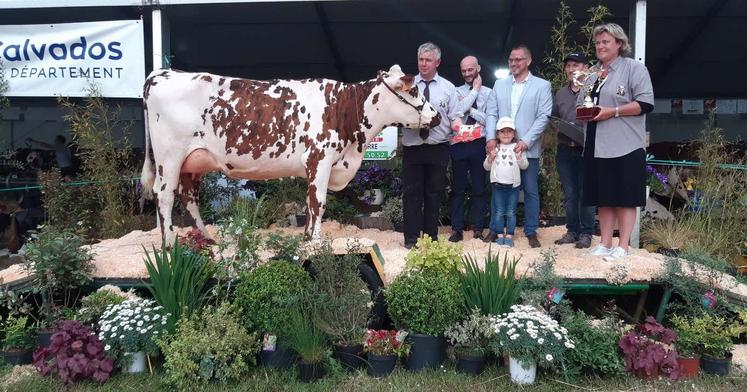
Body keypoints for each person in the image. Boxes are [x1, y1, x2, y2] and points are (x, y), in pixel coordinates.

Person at [577, 23, 654, 261]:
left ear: (619, 44)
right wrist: (583, 110)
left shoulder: (634, 69)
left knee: (625, 196)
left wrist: (613, 111)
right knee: (604, 196)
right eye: (598, 42)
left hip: (626, 144)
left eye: (605, 42)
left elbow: (645, 104)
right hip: (597, 143)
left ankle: (623, 246)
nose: (600, 46)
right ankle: (606, 242)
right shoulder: (591, 73)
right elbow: (582, 103)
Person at [485, 44, 552, 248]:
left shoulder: (542, 85)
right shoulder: (500, 84)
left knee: (530, 191)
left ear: (528, 61)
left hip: (527, 149)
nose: (514, 63)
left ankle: (531, 231)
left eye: (518, 59)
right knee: (498, 189)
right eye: (511, 60)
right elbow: (491, 113)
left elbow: (544, 116)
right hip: (502, 149)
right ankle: (495, 230)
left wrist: (526, 141)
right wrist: (490, 138)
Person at [401, 42, 456, 249]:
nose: (423, 64)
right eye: (421, 59)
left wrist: (460, 128)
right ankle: (410, 239)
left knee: (434, 194)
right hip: (412, 146)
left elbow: (454, 116)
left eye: (428, 60)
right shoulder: (407, 84)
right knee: (411, 194)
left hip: (438, 147)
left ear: (438, 62)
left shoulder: (448, 88)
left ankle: (431, 238)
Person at [446, 55, 492, 242]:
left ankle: (478, 228)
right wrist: (473, 92)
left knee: (479, 189)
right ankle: (456, 229)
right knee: (457, 189)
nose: (466, 73)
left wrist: (470, 110)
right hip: (459, 143)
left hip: (479, 143)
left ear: (478, 68)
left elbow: (489, 118)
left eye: (470, 70)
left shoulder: (489, 93)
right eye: (463, 70)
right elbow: (455, 112)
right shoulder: (455, 91)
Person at [552, 52, 596, 249]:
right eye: (568, 66)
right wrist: (557, 125)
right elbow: (553, 118)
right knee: (570, 193)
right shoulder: (560, 93)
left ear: (586, 68)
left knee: (586, 193)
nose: (571, 69)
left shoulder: (594, 90)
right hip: (564, 149)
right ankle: (572, 230)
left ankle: (587, 233)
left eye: (575, 65)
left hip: (586, 149)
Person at [484, 117, 528, 247]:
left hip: (513, 186)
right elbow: (486, 167)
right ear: (497, 134)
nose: (506, 134)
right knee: (498, 211)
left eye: (509, 131)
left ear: (514, 133)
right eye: (502, 131)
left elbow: (525, 166)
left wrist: (519, 158)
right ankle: (498, 235)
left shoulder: (517, 148)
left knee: (510, 212)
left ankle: (509, 235)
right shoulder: (495, 148)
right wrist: (491, 157)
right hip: (498, 185)